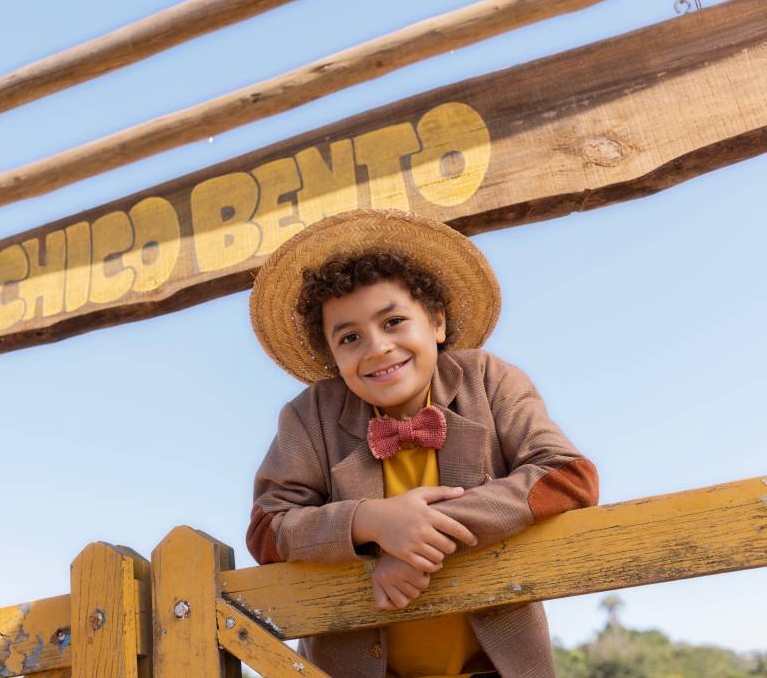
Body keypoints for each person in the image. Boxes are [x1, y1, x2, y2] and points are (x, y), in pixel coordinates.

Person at [245, 209, 599, 677]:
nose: (376, 348)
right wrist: (370, 522)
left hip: (494, 664)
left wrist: (421, 531)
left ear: (436, 323)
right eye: (350, 337)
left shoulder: (489, 380)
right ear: (333, 357)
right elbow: (268, 531)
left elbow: (568, 476)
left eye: (392, 322)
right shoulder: (308, 416)